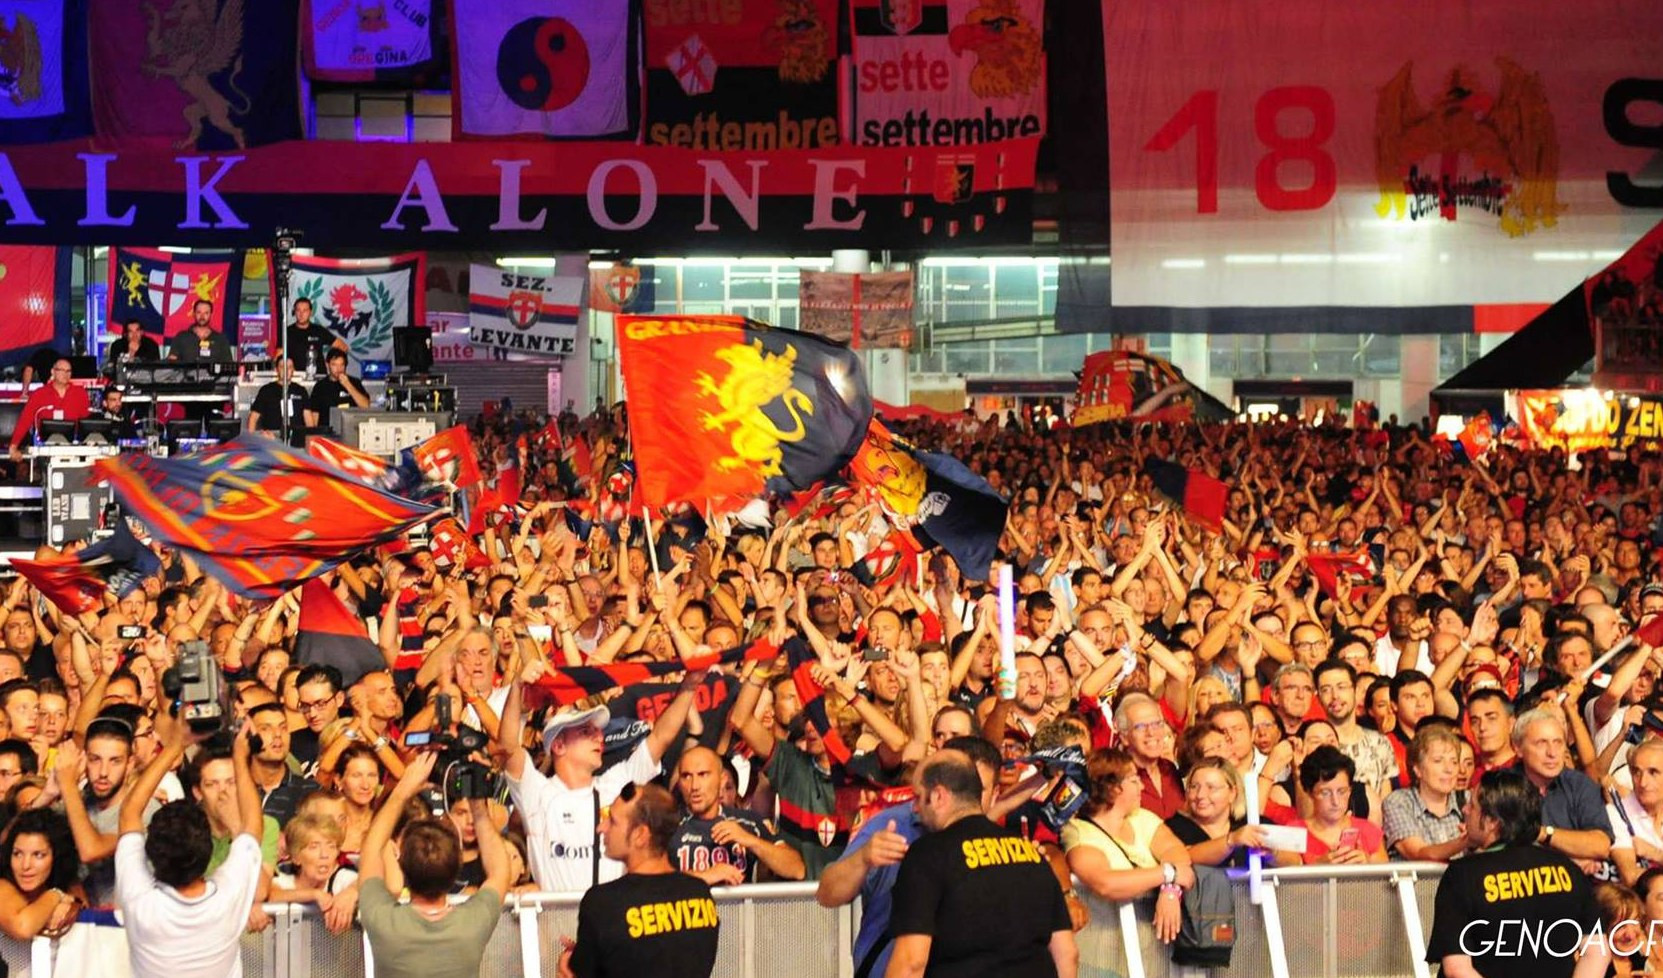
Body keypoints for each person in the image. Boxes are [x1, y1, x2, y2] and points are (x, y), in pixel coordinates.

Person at [495, 654, 704, 892]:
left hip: (609, 921)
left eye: (598, 731)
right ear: (558, 746)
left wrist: (690, 684)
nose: (599, 737)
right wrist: (518, 689)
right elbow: (509, 747)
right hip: (557, 924)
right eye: (586, 731)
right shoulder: (538, 793)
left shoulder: (615, 784)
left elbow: (660, 737)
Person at [883, 750, 1077, 978]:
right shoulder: (1030, 852)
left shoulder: (928, 854)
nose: (915, 808)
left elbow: (911, 962)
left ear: (938, 796)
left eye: (918, 797)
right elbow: (1067, 953)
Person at [116, 712, 265, 978]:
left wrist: (176, 745)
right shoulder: (226, 898)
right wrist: (240, 759)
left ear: (151, 854)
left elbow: (129, 812)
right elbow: (252, 825)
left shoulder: (141, 904)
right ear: (207, 851)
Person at [1424, 769, 1606, 978]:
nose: (1464, 809)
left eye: (1473, 805)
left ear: (1493, 822)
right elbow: (1597, 951)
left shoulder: (1462, 875)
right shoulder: (1567, 868)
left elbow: (1457, 969)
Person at [357, 752, 508, 978]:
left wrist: (402, 790)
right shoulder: (472, 924)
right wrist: (479, 807)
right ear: (458, 865)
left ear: (402, 863)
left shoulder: (384, 921)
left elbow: (370, 850)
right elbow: (499, 871)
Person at [557, 782, 721, 978]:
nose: (601, 827)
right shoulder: (700, 893)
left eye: (612, 821)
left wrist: (568, 966)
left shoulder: (603, 903)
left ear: (640, 835)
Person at [1063, 747, 1197, 945]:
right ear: (1112, 787)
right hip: (1104, 950)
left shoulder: (1142, 818)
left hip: (1153, 947)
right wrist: (1169, 874)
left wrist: (1170, 891)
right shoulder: (1077, 831)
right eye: (1134, 780)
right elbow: (1105, 883)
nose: (1142, 787)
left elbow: (1176, 853)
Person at [671, 744, 804, 885]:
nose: (694, 786)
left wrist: (750, 840)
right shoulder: (668, 826)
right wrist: (705, 876)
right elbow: (649, 881)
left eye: (703, 774)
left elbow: (797, 869)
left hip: (741, 907)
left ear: (721, 779)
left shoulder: (748, 822)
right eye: (686, 776)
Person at [1274, 745, 1386, 866]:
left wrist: (1368, 865)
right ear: (1310, 792)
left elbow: (1386, 877)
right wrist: (1317, 868)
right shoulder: (1293, 833)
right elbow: (1288, 879)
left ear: (1350, 791)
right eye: (1325, 793)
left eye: (1342, 791)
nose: (1335, 801)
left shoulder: (1368, 830)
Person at [1382, 724, 1468, 861]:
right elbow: (1418, 853)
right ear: (1417, 769)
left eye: (1454, 762)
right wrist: (1467, 840)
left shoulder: (1469, 801)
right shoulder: (1399, 802)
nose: (1449, 769)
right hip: (1421, 882)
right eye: (1438, 761)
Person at [9, 357, 89, 461]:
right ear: (53, 372)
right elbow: (25, 420)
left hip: (73, 450)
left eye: (69, 371)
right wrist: (14, 446)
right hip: (44, 450)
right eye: (62, 370)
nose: (66, 374)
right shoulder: (39, 394)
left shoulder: (80, 393)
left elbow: (86, 422)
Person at [304, 348, 371, 429]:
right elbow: (315, 415)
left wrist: (348, 385)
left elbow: (366, 406)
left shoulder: (354, 383)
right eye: (334, 365)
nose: (338, 369)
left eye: (341, 365)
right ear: (327, 365)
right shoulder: (320, 387)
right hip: (327, 432)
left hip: (351, 429)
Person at [247, 357, 310, 441]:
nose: (286, 370)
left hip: (297, 437)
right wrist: (252, 440)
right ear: (277, 369)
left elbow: (309, 419)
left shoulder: (301, 391)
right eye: (282, 367)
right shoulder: (266, 390)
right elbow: (253, 418)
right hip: (271, 438)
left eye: (290, 367)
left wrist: (310, 440)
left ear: (293, 370)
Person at [283, 297, 347, 377]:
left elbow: (343, 346)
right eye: (298, 310)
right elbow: (279, 355)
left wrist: (331, 363)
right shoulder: (287, 332)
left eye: (305, 310)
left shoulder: (318, 330)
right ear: (294, 312)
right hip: (296, 377)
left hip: (319, 377)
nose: (301, 314)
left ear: (310, 312)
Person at [166, 300, 235, 363]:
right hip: (187, 376)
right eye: (199, 312)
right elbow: (172, 362)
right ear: (194, 314)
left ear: (211, 315)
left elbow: (228, 364)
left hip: (213, 376)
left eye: (206, 313)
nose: (202, 317)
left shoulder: (221, 339)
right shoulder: (181, 337)